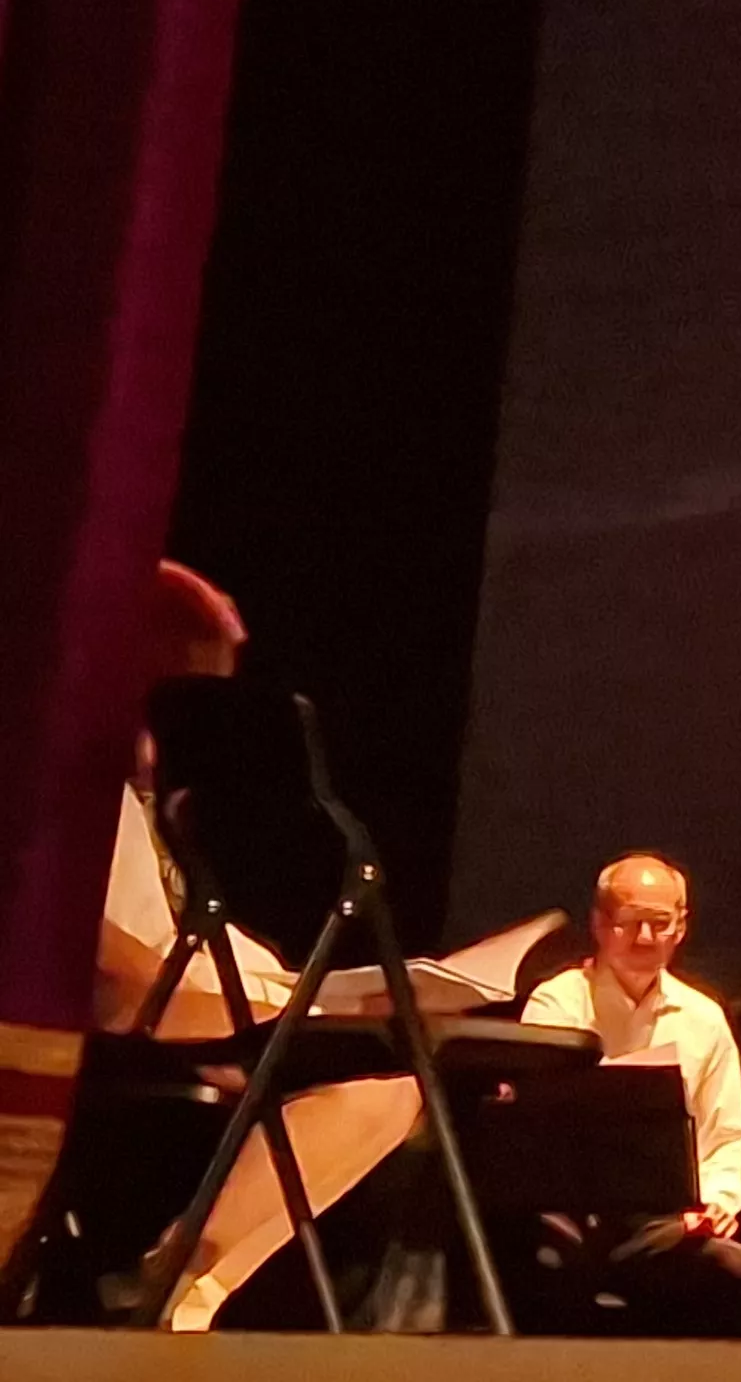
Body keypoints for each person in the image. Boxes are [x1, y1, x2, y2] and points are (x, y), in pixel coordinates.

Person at [87, 560, 550, 1331]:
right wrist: (254, 1005)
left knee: (390, 1085)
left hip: (211, 1009)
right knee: (341, 1052)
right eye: (206, 693)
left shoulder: (159, 806)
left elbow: (211, 940)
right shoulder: (70, 792)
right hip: (134, 1025)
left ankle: (186, 1281)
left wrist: (319, 992)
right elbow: (102, 960)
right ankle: (176, 1283)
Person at [513, 853, 741, 1336]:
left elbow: (727, 1136)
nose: (645, 938)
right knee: (542, 1266)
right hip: (569, 1213)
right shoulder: (558, 1002)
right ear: (599, 923)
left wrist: (716, 1201)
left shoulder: (704, 1018)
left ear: (681, 927)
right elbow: (536, 1123)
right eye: (631, 922)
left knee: (737, 1272)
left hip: (660, 1224)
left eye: (660, 923)